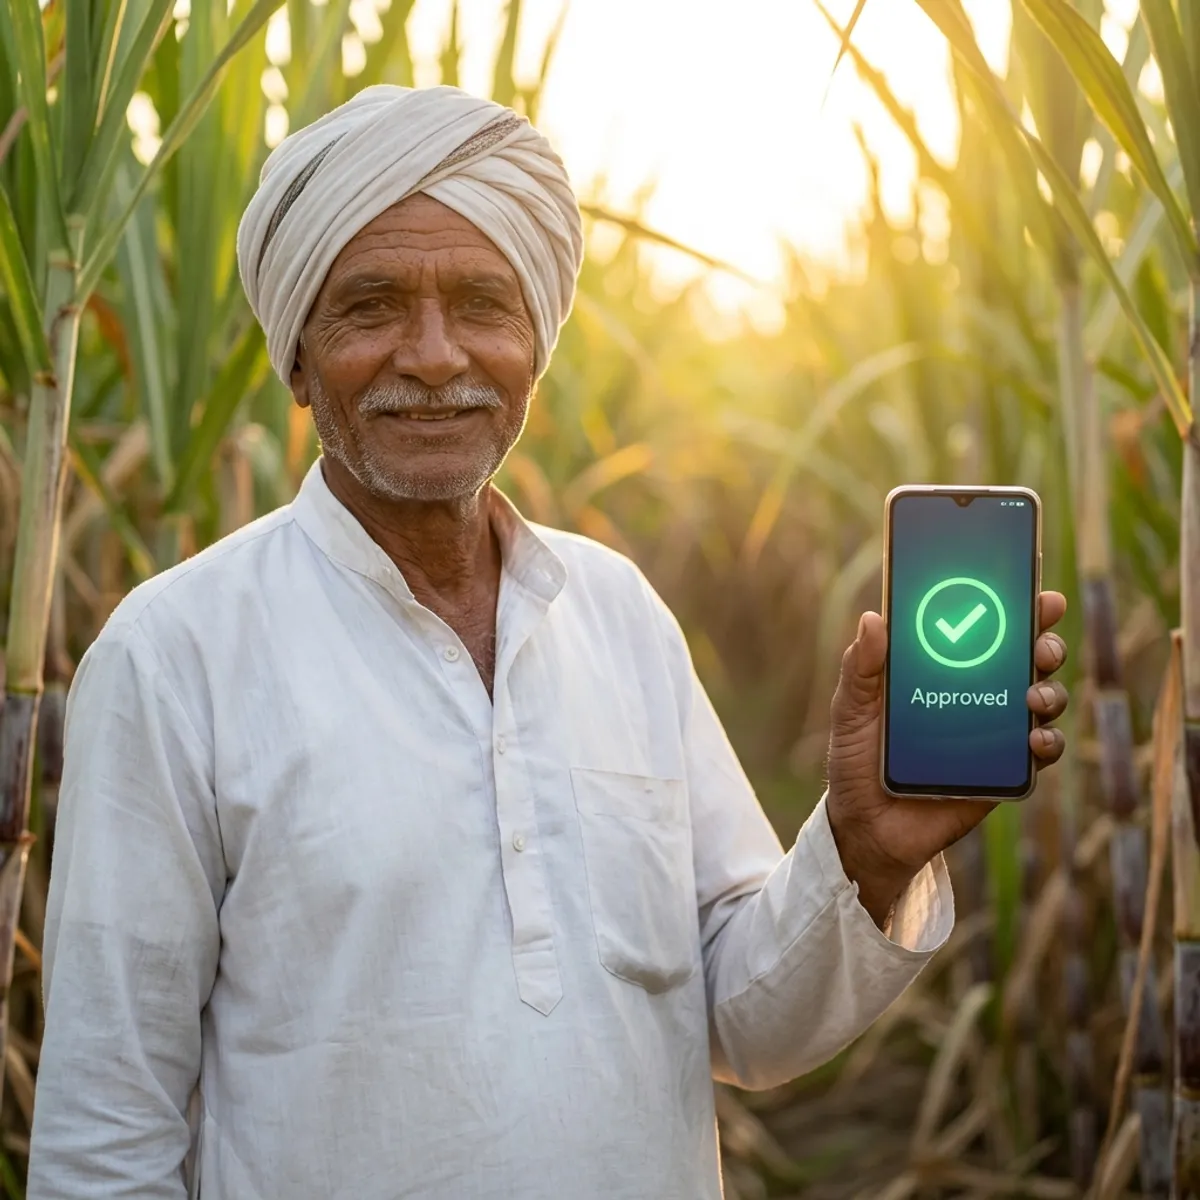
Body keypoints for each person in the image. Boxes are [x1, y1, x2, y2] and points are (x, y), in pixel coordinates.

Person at [25, 85, 1070, 1199]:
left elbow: (747, 1024)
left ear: (536, 345)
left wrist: (865, 850)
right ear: (294, 356)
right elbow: (108, 1136)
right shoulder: (174, 655)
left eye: (482, 303)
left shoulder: (617, 613)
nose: (433, 356)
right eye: (371, 306)